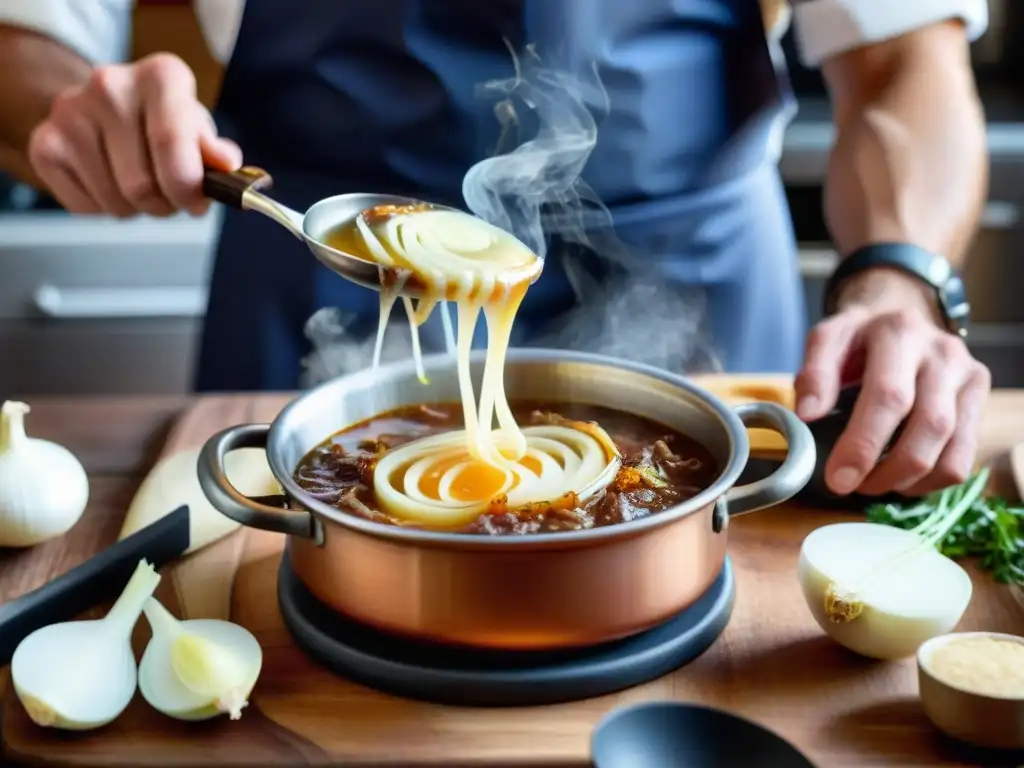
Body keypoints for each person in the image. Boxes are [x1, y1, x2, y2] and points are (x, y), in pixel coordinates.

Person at [0, 0, 992, 499]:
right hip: (318, 281)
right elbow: (28, 35)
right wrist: (75, 109)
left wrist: (898, 285)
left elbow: (906, 61)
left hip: (705, 302)